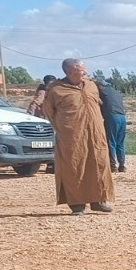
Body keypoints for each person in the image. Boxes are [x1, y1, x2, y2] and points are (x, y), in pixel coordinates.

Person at [42, 59, 115, 215]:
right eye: (82, 70)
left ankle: (98, 201)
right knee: (74, 168)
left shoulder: (91, 86)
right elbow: (49, 113)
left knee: (98, 164)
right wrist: (65, 129)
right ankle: (77, 205)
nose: (85, 73)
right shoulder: (56, 90)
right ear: (70, 72)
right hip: (72, 137)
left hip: (96, 135)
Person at [95, 74, 128, 172]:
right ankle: (122, 165)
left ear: (99, 86)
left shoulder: (102, 91)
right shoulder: (115, 92)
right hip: (122, 117)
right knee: (120, 143)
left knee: (111, 142)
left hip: (112, 117)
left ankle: (113, 166)